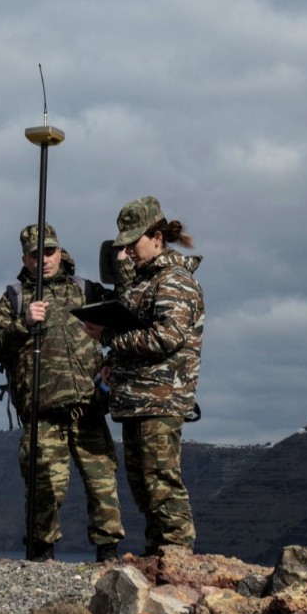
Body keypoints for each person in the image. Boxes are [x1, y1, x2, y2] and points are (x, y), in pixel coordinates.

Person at [0, 223, 126, 562]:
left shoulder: (86, 291)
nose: (44, 260)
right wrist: (23, 324)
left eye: (49, 252)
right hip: (43, 414)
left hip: (89, 408)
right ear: (26, 259)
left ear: (59, 252)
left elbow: (122, 320)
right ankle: (41, 555)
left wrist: (110, 365)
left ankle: (108, 555)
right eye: (36, 255)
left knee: (102, 484)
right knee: (44, 486)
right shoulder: (16, 298)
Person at [82, 196, 203, 556]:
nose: (128, 253)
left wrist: (108, 337)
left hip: (161, 399)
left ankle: (179, 558)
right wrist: (112, 359)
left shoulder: (174, 282)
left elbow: (166, 337)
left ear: (156, 237)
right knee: (143, 484)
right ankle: (159, 555)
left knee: (161, 483)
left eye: (132, 244)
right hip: (136, 398)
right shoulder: (145, 283)